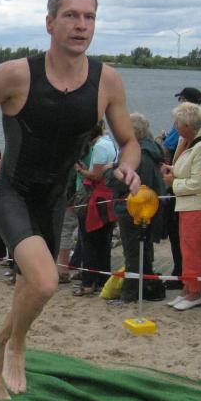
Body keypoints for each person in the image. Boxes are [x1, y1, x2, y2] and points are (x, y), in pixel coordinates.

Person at [0, 0, 140, 400]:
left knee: (29, 289)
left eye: (89, 17)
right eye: (71, 15)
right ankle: (18, 345)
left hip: (55, 200)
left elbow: (129, 141)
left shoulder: (107, 81)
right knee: (44, 283)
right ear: (50, 23)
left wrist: (128, 167)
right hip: (11, 193)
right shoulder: (17, 74)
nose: (81, 25)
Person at [160, 103, 201, 310]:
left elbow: (198, 183)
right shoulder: (186, 141)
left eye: (178, 123)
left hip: (200, 205)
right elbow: (184, 168)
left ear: (187, 125)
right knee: (186, 249)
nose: (175, 126)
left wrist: (173, 183)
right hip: (188, 205)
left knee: (195, 249)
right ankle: (187, 288)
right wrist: (171, 169)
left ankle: (195, 292)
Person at [107, 112, 166, 303]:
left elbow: (121, 182)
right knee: (143, 250)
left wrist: (111, 172)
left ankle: (130, 293)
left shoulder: (140, 155)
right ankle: (145, 288)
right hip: (147, 208)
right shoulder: (151, 151)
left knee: (133, 253)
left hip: (134, 209)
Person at [156, 88, 201, 291]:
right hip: (185, 190)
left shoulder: (195, 137)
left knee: (181, 238)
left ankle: (184, 278)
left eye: (181, 99)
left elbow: (167, 146)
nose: (176, 125)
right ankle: (185, 279)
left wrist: (173, 182)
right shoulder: (200, 129)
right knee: (184, 239)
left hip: (186, 194)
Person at [73, 121, 119, 296]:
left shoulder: (99, 147)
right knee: (103, 241)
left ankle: (88, 283)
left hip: (96, 198)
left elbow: (96, 175)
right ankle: (101, 281)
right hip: (108, 196)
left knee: (89, 241)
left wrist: (80, 170)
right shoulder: (109, 142)